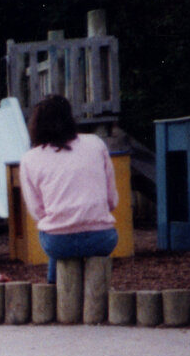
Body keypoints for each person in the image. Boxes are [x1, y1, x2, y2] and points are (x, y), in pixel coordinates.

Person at [19, 94, 119, 284]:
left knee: (56, 240)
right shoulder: (95, 143)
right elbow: (111, 200)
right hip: (102, 238)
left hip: (59, 243)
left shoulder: (29, 159)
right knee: (80, 243)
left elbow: (37, 211)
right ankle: (97, 291)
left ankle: (55, 289)